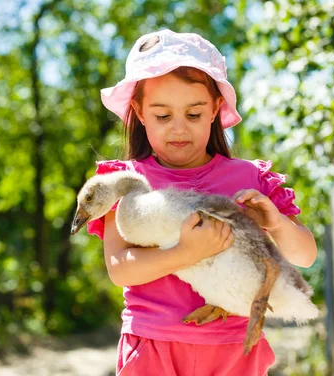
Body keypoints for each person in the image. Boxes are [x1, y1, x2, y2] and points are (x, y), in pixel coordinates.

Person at [86, 29, 317, 376]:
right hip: (153, 348)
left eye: (193, 114)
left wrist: (276, 223)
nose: (179, 129)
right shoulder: (126, 183)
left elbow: (305, 255)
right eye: (163, 116)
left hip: (235, 350)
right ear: (139, 111)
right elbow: (120, 267)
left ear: (215, 109)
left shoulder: (250, 179)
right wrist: (187, 252)